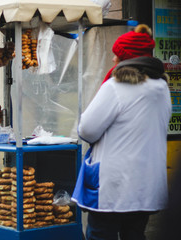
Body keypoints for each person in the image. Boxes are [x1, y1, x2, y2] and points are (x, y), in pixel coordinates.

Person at [72, 56, 172, 240]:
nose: (112, 58)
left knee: (101, 234)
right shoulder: (163, 89)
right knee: (134, 234)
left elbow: (87, 129)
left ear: (128, 58)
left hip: (114, 186)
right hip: (146, 185)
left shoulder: (115, 87)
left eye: (117, 54)